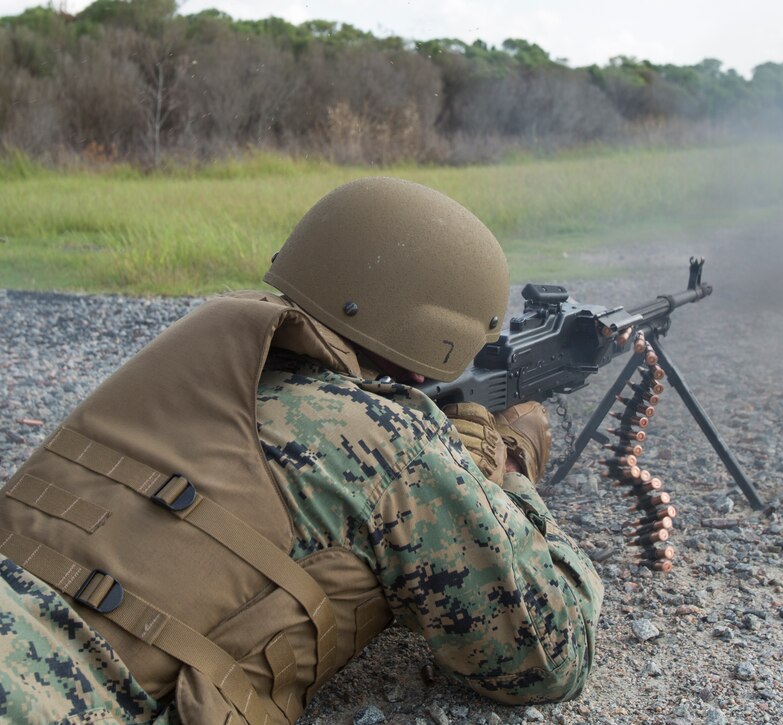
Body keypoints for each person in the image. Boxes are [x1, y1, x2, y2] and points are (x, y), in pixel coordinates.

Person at [0, 177, 604, 724]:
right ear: (437, 333)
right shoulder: (391, 441)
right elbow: (551, 658)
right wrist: (510, 471)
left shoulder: (201, 359)